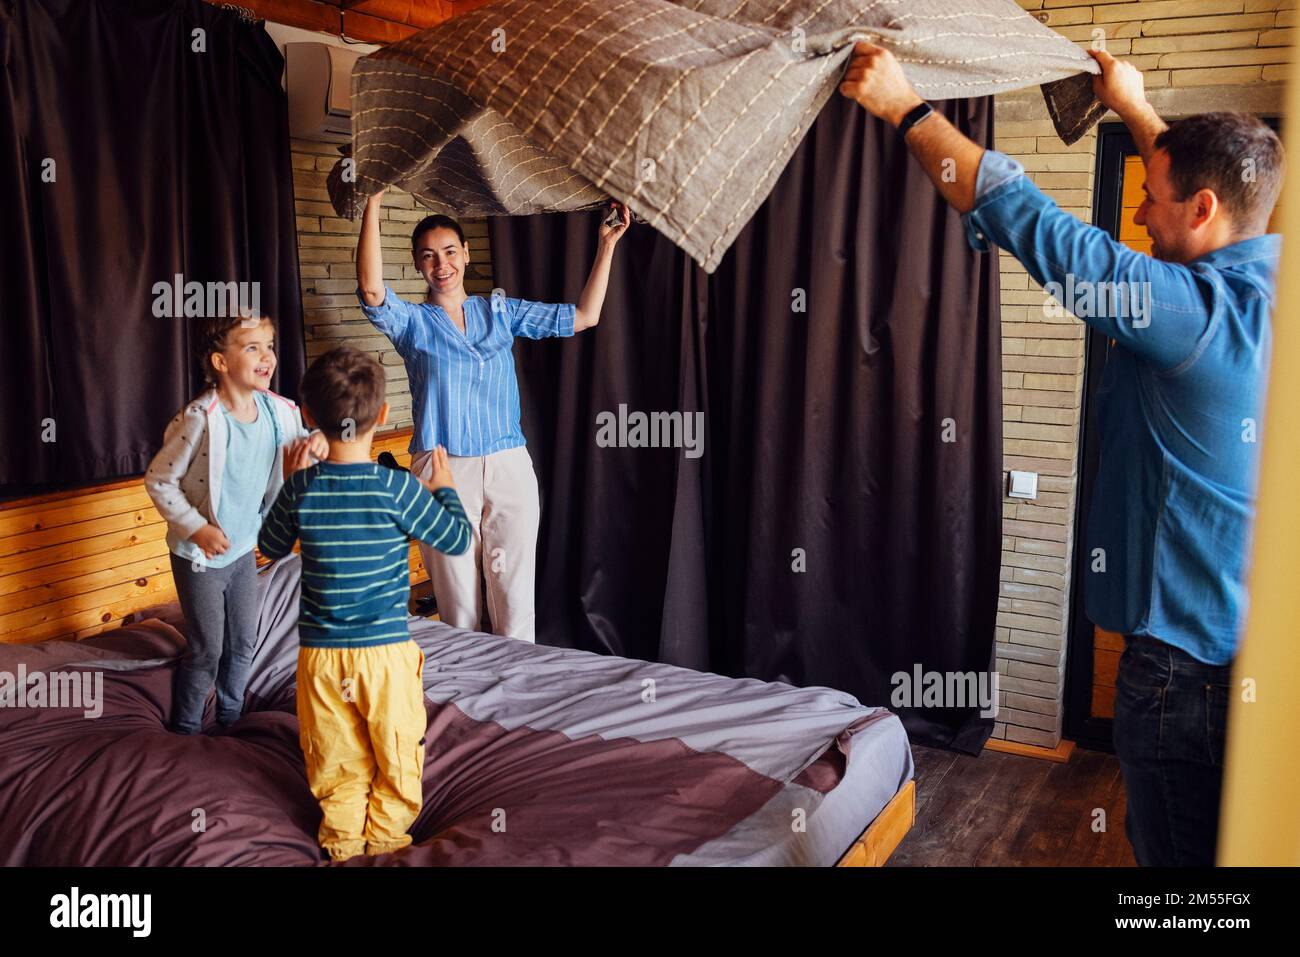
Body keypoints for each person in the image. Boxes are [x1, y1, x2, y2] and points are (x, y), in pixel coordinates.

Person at [839, 45, 1283, 866]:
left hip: (1186, 684)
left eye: (1152, 202)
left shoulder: (1188, 314)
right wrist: (1134, 106)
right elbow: (1189, 178)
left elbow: (1029, 222)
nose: (1142, 217)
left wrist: (906, 107)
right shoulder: (1271, 293)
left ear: (1204, 207)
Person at [355, 193, 631, 642]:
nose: (440, 264)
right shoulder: (412, 323)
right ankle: (465, 705)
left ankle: (516, 699)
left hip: (508, 464)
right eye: (428, 257)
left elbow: (585, 316)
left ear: (465, 254)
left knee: (516, 600)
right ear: (416, 264)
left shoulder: (499, 311)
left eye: (448, 252)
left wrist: (607, 245)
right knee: (459, 604)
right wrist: (374, 199)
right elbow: (371, 290)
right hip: (442, 469)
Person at [258, 345, 472, 861]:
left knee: (333, 759)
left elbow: (269, 546)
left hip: (320, 660)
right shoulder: (397, 488)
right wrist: (443, 488)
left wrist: (290, 484)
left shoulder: (303, 488)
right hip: (383, 657)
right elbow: (458, 538)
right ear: (383, 415)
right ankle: (388, 840)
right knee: (398, 751)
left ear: (308, 417)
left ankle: (343, 845)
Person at [145, 313, 326, 734]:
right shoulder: (200, 417)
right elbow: (159, 480)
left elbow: (301, 457)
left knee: (243, 642)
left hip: (244, 548)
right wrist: (196, 528)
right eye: (252, 347)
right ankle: (187, 729)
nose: (267, 357)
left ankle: (230, 719)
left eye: (270, 345)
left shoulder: (280, 411)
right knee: (208, 649)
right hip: (199, 557)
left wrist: (318, 442)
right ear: (221, 362)